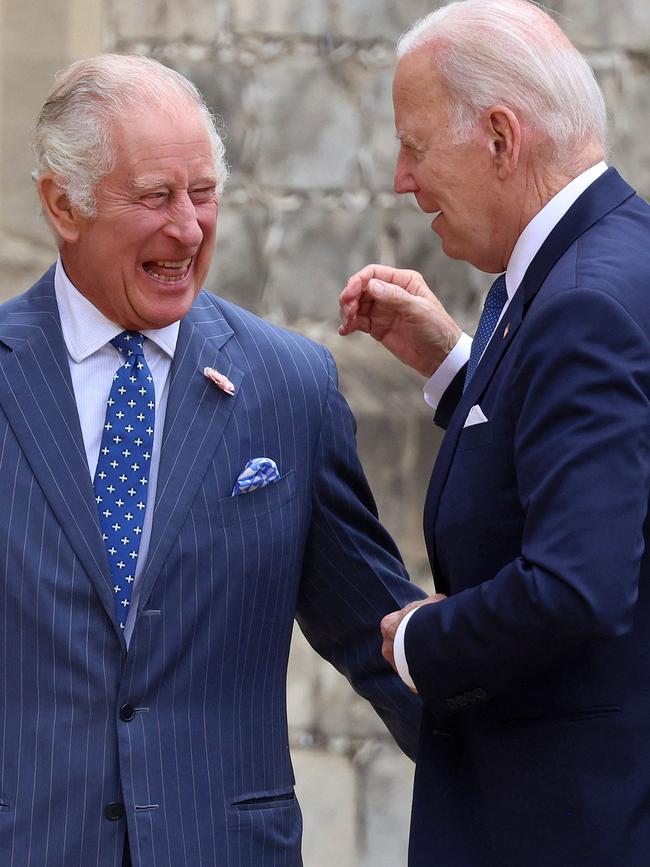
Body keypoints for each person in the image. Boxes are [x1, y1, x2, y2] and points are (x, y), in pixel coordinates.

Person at [0, 54, 423, 867]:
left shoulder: (288, 388)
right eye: (156, 197)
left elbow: (381, 637)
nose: (189, 229)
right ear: (63, 204)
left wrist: (533, 774)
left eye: (203, 194)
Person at [339, 1, 650, 865]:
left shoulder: (583, 299)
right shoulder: (601, 256)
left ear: (502, 138)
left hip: (565, 825)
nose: (403, 178)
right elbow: (595, 453)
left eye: (416, 144)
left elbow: (575, 586)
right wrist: (454, 366)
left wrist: (417, 641)